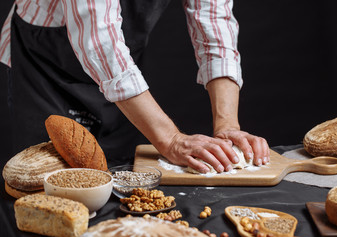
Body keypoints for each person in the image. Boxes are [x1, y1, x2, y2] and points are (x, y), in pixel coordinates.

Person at [0, 0, 270, 173]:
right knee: (46, 186)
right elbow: (98, 38)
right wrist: (171, 139)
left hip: (122, 75)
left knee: (118, 182)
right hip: (46, 68)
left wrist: (228, 127)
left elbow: (214, 22)